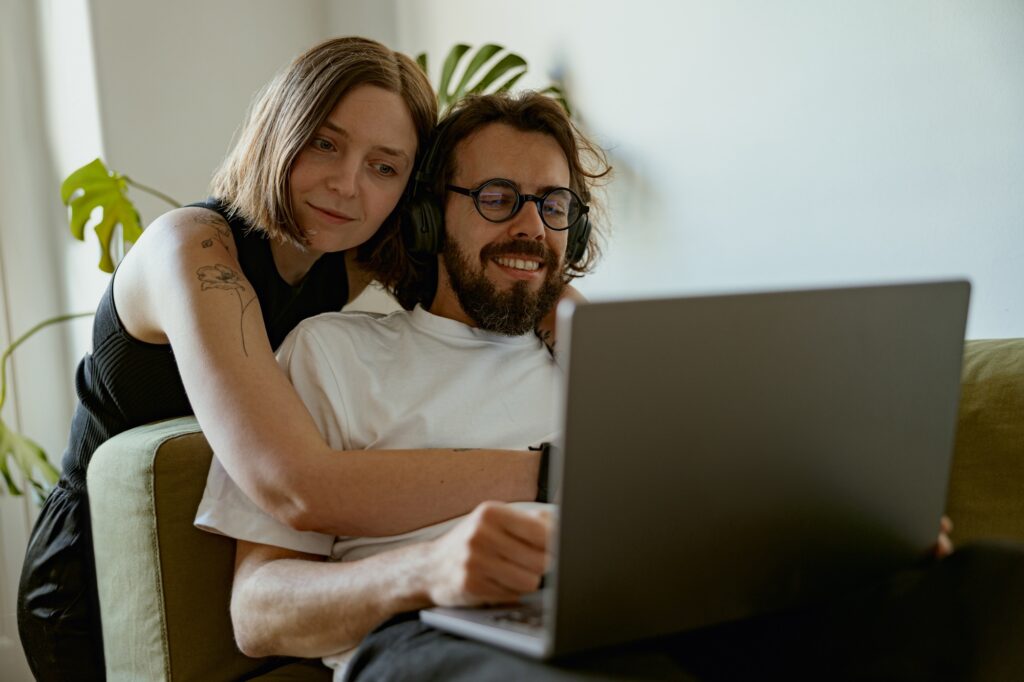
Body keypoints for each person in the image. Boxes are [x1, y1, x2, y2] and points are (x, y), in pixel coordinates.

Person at [17, 37, 563, 681]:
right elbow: (295, 486)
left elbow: (518, 269)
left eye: (384, 166)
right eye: (324, 144)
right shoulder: (190, 251)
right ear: (280, 129)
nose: (346, 183)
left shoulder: (349, 246)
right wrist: (557, 475)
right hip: (91, 566)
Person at [194, 90, 609, 679]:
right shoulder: (334, 353)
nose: (531, 227)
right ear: (429, 216)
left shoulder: (596, 361)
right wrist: (428, 572)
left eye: (554, 204)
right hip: (431, 634)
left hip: (611, 612)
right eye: (497, 199)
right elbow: (257, 613)